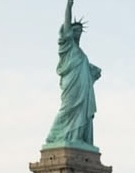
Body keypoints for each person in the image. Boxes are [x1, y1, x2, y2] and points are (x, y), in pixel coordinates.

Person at [45, 0, 101, 148]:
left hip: (83, 88)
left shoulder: (81, 53)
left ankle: (77, 138)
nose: (77, 33)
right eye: (75, 30)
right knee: (68, 108)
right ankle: (52, 137)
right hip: (71, 84)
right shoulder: (67, 45)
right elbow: (67, 23)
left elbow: (86, 72)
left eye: (80, 31)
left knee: (81, 111)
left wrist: (92, 73)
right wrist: (69, 6)